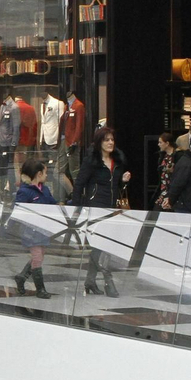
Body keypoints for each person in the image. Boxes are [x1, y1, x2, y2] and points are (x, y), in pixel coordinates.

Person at [75, 127, 131, 296]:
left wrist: (122, 181)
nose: (110, 143)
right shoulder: (92, 161)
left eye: (112, 139)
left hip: (112, 209)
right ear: (99, 142)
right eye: (107, 140)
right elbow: (79, 184)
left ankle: (90, 281)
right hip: (96, 208)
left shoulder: (117, 161)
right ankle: (108, 282)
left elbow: (116, 187)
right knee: (102, 245)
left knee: (100, 247)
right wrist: (77, 209)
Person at [12, 158, 57, 299]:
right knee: (37, 257)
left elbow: (52, 204)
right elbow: (17, 209)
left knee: (40, 256)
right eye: (45, 172)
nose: (46, 175)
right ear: (38, 174)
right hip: (31, 232)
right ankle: (40, 289)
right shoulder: (25, 192)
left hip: (42, 230)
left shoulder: (45, 189)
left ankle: (21, 277)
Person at [163, 136, 191, 214]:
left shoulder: (188, 162)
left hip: (187, 205)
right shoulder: (188, 164)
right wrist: (171, 200)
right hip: (185, 206)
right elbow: (178, 183)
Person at [155, 131, 177, 210]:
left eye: (160, 142)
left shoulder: (176, 156)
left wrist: (172, 171)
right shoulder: (163, 156)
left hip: (171, 190)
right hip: (163, 189)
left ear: (167, 143)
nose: (159, 144)